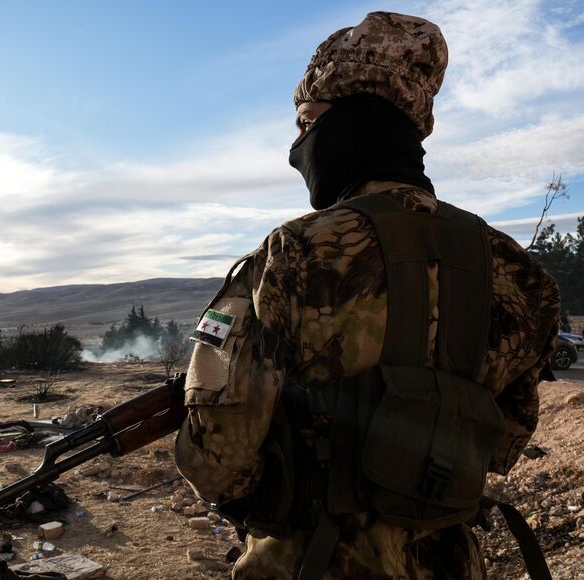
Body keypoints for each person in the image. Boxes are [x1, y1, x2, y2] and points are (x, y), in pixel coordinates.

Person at [175, 12, 559, 579]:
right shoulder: (521, 274)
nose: (297, 146)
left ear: (355, 120)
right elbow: (504, 440)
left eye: (308, 122)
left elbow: (218, 461)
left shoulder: (294, 253)